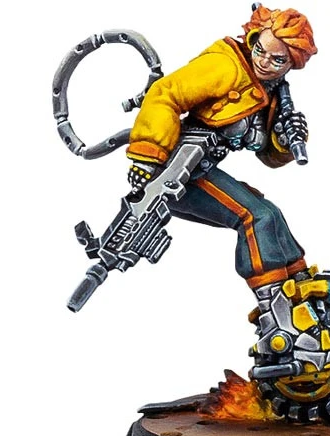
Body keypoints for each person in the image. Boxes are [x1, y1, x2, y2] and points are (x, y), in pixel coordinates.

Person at [126, 5, 317, 294]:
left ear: (292, 63)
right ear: (253, 39)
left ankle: (300, 284)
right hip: (173, 171)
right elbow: (164, 94)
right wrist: (146, 158)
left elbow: (267, 155)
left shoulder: (270, 90)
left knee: (271, 213)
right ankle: (272, 299)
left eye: (277, 60)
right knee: (256, 217)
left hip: (200, 169)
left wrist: (284, 140)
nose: (264, 62)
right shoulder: (226, 65)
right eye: (260, 50)